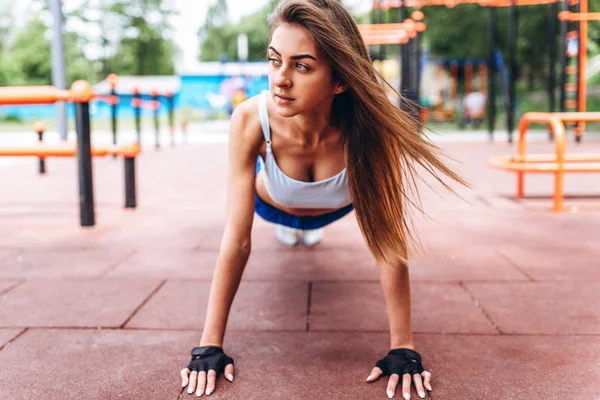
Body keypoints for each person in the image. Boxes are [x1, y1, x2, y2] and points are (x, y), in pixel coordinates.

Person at [180, 0, 465, 398]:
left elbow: (388, 248)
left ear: (339, 81)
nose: (280, 79)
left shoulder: (370, 132)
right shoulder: (249, 119)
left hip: (339, 205)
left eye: (301, 66)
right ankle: (294, 231)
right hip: (274, 204)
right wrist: (209, 344)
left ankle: (307, 231)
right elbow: (238, 239)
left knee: (320, 229)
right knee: (290, 233)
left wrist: (403, 346)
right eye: (274, 60)